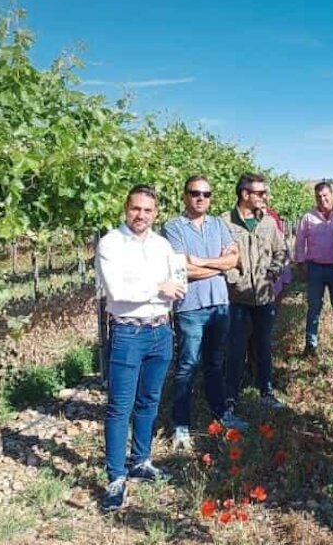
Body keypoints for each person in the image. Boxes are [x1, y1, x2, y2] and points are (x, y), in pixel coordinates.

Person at [96, 185, 185, 512]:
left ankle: (141, 461)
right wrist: (157, 288)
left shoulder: (163, 245)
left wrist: (170, 290)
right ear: (126, 208)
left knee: (149, 401)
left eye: (148, 211)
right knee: (120, 407)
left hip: (160, 331)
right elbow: (117, 291)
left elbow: (175, 284)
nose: (141, 216)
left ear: (156, 213)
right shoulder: (111, 244)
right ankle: (116, 478)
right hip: (128, 333)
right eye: (136, 209)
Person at [163, 175, 247, 450]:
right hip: (190, 307)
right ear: (185, 196)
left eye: (206, 194)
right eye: (195, 193)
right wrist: (219, 266)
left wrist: (203, 262)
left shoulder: (218, 224)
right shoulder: (173, 227)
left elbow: (235, 259)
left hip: (219, 303)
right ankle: (180, 425)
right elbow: (182, 270)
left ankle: (221, 415)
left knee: (214, 363)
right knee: (187, 365)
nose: (201, 198)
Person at [222, 173, 290, 413]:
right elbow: (219, 258)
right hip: (235, 298)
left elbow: (282, 251)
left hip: (263, 297)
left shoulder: (268, 223)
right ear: (245, 194)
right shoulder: (224, 223)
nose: (265, 197)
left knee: (263, 347)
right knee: (235, 349)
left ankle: (265, 391)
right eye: (260, 193)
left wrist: (274, 271)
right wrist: (230, 278)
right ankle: (230, 397)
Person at [295, 182, 333, 356]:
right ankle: (311, 344)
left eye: (325, 195)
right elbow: (299, 242)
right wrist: (301, 263)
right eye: (318, 196)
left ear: (332, 195)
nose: (322, 199)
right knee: (314, 306)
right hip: (315, 267)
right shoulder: (308, 217)